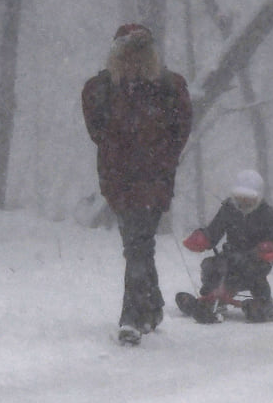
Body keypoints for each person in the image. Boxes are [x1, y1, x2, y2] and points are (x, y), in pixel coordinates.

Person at [82, 23, 192, 345]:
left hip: (154, 179)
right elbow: (97, 132)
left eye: (139, 55)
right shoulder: (100, 89)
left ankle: (131, 317)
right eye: (127, 55)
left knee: (137, 245)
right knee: (139, 244)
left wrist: (160, 157)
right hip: (119, 180)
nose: (133, 62)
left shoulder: (169, 87)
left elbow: (180, 130)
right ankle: (152, 305)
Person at [180, 169, 273, 323]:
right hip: (230, 257)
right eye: (239, 197)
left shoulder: (267, 214)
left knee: (253, 273)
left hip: (256, 260)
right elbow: (214, 231)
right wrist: (203, 238)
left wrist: (271, 249)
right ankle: (213, 297)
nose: (243, 202)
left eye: (248, 198)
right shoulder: (228, 209)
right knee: (211, 265)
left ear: (258, 197)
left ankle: (263, 301)